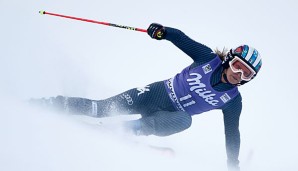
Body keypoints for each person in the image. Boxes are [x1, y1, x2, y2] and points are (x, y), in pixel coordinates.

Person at [32, 23, 262, 171]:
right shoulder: (207, 58)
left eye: (247, 74)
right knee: (99, 108)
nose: (238, 74)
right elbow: (181, 37)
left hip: (167, 117)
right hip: (154, 95)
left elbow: (232, 132)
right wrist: (162, 32)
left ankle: (124, 129)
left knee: (185, 120)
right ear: (228, 60)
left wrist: (234, 164)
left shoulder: (232, 100)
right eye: (237, 66)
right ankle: (47, 104)